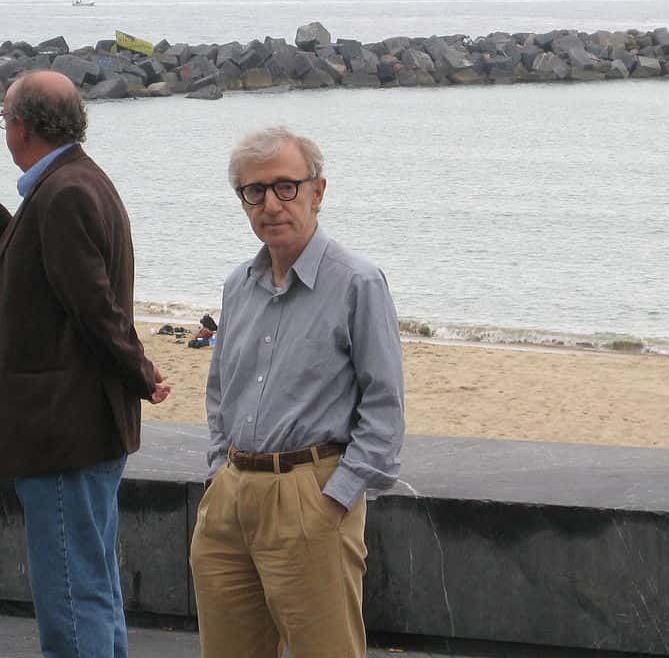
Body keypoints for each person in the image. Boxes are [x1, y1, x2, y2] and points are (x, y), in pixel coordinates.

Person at [191, 126, 405, 658]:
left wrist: (335, 498)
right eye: (255, 191)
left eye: (286, 187)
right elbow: (220, 391)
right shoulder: (238, 285)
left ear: (317, 191)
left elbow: (384, 406)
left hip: (311, 497)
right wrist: (219, 474)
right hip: (230, 499)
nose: (271, 204)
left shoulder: (358, 283)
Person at [0, 70, 171, 657]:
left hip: (63, 433)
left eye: (5, 118)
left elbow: (95, 309)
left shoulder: (64, 193)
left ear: (21, 127)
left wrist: (141, 373)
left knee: (72, 601)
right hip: (80, 430)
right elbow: (45, 268)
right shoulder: (74, 181)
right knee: (92, 590)